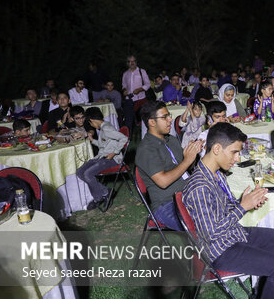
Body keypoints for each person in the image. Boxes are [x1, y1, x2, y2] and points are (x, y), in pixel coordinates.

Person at [183, 122, 274, 299]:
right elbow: (211, 234)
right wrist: (242, 207)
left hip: (232, 235)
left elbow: (220, 210)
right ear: (217, 149)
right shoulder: (199, 185)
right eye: (234, 152)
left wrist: (243, 202)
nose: (237, 158)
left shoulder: (213, 174)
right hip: (219, 251)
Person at [135, 101, 204, 230]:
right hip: (167, 204)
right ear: (152, 122)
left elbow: (185, 168)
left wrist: (192, 154)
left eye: (169, 115)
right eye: (164, 117)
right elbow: (163, 181)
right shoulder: (146, 149)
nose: (170, 119)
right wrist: (187, 161)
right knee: (204, 228)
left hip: (188, 194)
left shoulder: (171, 139)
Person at [76, 107, 128, 211]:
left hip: (112, 159)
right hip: (102, 156)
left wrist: (114, 153)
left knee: (87, 174)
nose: (91, 126)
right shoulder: (104, 127)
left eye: (90, 123)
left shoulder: (107, 129)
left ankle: (98, 198)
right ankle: (105, 191)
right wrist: (91, 139)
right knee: (80, 172)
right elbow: (103, 144)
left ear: (92, 121)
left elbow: (124, 138)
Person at [122, 55, 151, 133]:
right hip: (129, 100)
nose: (132, 63)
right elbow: (124, 85)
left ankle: (146, 136)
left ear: (136, 62)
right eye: (129, 61)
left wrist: (140, 89)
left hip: (141, 99)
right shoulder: (125, 74)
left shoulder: (142, 71)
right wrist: (124, 90)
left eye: (133, 61)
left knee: (145, 120)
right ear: (127, 63)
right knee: (128, 121)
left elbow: (148, 84)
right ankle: (127, 139)